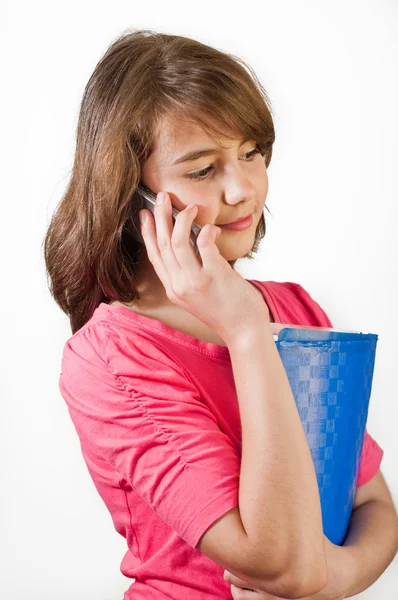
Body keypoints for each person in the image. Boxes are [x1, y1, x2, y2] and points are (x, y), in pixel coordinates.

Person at [43, 29, 396, 600]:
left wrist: (337, 577)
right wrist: (247, 333)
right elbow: (277, 563)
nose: (244, 189)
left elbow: (371, 501)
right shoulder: (110, 357)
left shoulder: (296, 307)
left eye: (252, 153)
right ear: (133, 196)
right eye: (204, 169)